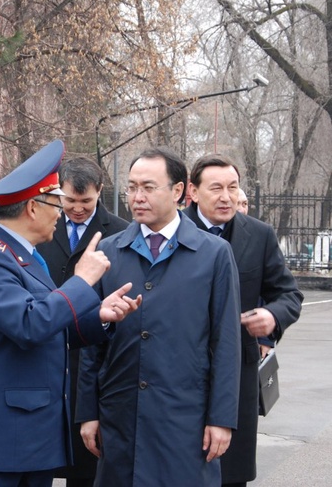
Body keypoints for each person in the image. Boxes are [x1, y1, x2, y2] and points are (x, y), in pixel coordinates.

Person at [0, 140, 142, 487]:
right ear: (33, 208)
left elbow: (48, 326)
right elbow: (29, 325)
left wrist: (99, 317)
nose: (62, 213)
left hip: (28, 443)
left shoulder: (24, 256)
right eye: (57, 203)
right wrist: (82, 280)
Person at [76, 147, 242, 486]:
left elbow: (226, 341)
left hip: (184, 418)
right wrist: (88, 412)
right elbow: (89, 341)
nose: (137, 197)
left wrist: (221, 418)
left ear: (178, 191)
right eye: (132, 187)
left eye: (149, 187)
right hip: (120, 416)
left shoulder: (213, 254)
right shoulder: (109, 251)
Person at [183, 154, 303, 487]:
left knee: (230, 473)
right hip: (180, 372)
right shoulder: (174, 232)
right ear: (192, 191)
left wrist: (272, 315)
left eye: (233, 188)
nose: (226, 197)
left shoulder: (259, 235)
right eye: (216, 188)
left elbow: (289, 295)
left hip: (237, 374)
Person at [37, 157, 130, 487]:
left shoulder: (119, 231)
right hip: (48, 354)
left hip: (92, 357)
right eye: (70, 200)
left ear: (100, 192)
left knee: (87, 467)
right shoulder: (43, 228)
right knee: (42, 462)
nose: (77, 209)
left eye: (86, 201)